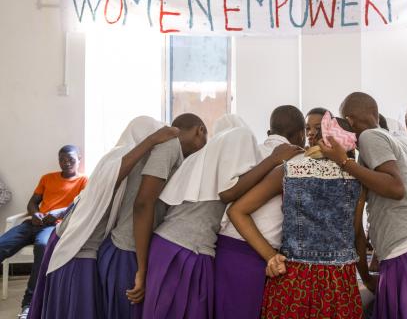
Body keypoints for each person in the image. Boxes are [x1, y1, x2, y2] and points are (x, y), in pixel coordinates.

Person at [131, 114, 300, 319]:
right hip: (183, 249)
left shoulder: (207, 161)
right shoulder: (242, 135)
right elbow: (228, 193)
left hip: (183, 248)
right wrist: (274, 159)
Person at [322, 92, 407, 319]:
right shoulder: (387, 139)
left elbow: (396, 188)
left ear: (350, 119)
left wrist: (343, 161)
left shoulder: (370, 137)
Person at [28, 117, 180, 319]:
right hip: (77, 248)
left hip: (80, 242)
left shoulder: (127, 159)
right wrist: (152, 141)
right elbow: (114, 178)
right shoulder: (116, 158)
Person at [228, 111, 366, 318]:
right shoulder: (358, 180)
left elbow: (237, 211)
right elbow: (355, 233)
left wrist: (271, 257)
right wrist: (367, 277)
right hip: (339, 283)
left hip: (293, 279)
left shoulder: (290, 170)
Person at [97, 113, 207, 319]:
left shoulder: (174, 150)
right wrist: (142, 269)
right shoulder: (170, 145)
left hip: (131, 249)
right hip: (128, 252)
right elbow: (143, 203)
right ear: (200, 130)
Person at [215, 106, 306, 319]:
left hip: (226, 247)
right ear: (301, 134)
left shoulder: (250, 150)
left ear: (269, 133)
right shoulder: (299, 161)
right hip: (260, 253)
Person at [0, 145, 87, 318]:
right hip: (32, 223)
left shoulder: (83, 181)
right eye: (62, 159)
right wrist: (35, 213)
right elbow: (32, 203)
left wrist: (58, 212)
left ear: (79, 159)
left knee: (42, 247)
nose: (66, 162)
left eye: (70, 159)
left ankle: (28, 305)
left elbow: (80, 205)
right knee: (2, 245)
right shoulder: (47, 178)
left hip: (55, 226)